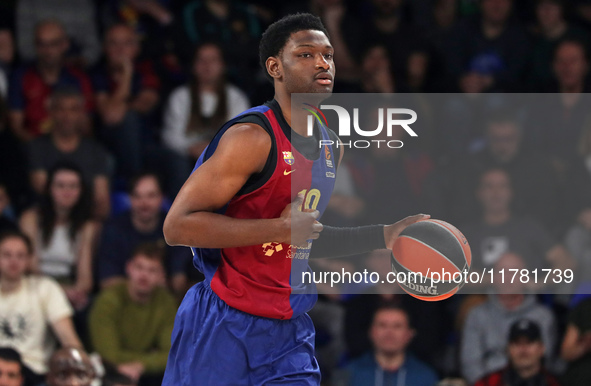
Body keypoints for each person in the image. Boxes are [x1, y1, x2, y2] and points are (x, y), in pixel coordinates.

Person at [162, 13, 427, 385]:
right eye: (306, 54)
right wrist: (280, 227)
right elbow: (177, 226)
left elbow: (301, 237)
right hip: (224, 321)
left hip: (289, 332)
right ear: (275, 67)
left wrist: (387, 235)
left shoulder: (331, 145)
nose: (322, 63)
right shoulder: (250, 138)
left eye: (329, 55)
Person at [0, 230, 83, 384]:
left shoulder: (45, 288)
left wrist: (80, 367)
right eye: (7, 255)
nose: (14, 261)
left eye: (20, 256)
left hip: (36, 374)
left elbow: (69, 340)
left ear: (29, 259)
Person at [461, 252, 557, 384]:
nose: (508, 278)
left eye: (514, 272)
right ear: (493, 276)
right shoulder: (477, 315)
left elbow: (545, 361)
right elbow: (470, 364)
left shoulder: (543, 316)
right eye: (502, 272)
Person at [89, 243, 176, 386]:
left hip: (151, 376)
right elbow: (108, 354)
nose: (143, 275)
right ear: (128, 267)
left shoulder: (166, 303)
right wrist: (151, 358)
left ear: (162, 276)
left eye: (152, 270)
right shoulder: (108, 300)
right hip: (108, 373)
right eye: (139, 267)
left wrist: (141, 365)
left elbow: (173, 354)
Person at [96, 172, 192, 296]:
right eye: (137, 196)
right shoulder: (114, 229)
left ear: (162, 197)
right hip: (122, 301)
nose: (144, 203)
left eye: (151, 196)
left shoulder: (176, 229)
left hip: (166, 300)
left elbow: (179, 282)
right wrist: (149, 282)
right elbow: (106, 282)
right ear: (129, 198)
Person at [19, 163, 97, 311]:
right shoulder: (31, 218)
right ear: (49, 189)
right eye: (60, 186)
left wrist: (74, 292)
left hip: (68, 284)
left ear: (81, 190)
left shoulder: (87, 225)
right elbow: (30, 268)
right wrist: (59, 291)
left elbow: (85, 279)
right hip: (34, 283)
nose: (67, 191)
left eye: (73, 186)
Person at [26, 88, 111, 219]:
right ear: (51, 113)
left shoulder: (95, 150)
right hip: (47, 220)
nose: (67, 115)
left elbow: (101, 198)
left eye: (74, 109)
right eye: (61, 109)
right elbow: (43, 189)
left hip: (85, 219)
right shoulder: (37, 147)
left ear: (82, 114)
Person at [162, 42, 250, 162]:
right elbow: (170, 136)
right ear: (193, 66)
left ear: (223, 65)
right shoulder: (180, 96)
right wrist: (191, 148)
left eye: (213, 60)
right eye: (201, 60)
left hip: (225, 159)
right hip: (187, 158)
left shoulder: (236, 98)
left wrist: (214, 148)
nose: (207, 65)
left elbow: (241, 136)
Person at [8, 20, 94, 141]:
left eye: (53, 44)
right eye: (42, 44)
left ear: (65, 44)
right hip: (31, 148)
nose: (47, 50)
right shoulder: (20, 76)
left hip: (70, 149)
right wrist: (39, 149)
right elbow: (16, 127)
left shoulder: (79, 78)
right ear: (35, 46)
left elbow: (86, 127)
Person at [345, 304, 439, 386]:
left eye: (397, 326)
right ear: (371, 332)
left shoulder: (425, 376)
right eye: (382, 325)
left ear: (409, 334)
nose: (389, 333)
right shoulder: (349, 373)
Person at [475, 319, 561, 386]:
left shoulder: (554, 383)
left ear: (542, 348)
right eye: (517, 343)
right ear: (507, 349)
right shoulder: (488, 383)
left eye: (529, 342)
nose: (523, 349)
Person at [16, 0, 101, 66]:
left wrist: (77, 62)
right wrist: (48, 60)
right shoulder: (29, 3)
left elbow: (93, 48)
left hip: (77, 65)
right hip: (37, 65)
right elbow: (25, 49)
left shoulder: (82, 3)